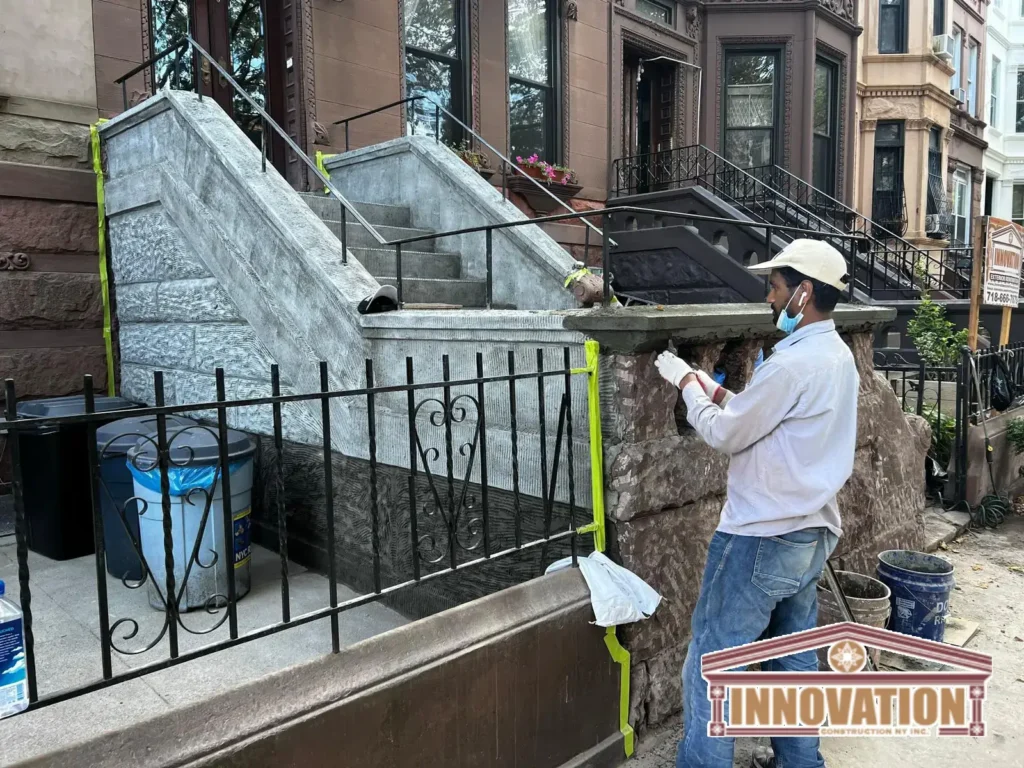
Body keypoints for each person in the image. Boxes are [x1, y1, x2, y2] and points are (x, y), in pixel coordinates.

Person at [653, 239, 860, 768]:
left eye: (775, 286)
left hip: (761, 536)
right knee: (791, 655)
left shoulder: (792, 364)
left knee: (714, 659)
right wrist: (715, 390)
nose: (769, 298)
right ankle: (800, 760)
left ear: (803, 293)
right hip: (811, 534)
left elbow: (726, 436)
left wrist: (685, 385)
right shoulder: (835, 356)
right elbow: (758, 416)